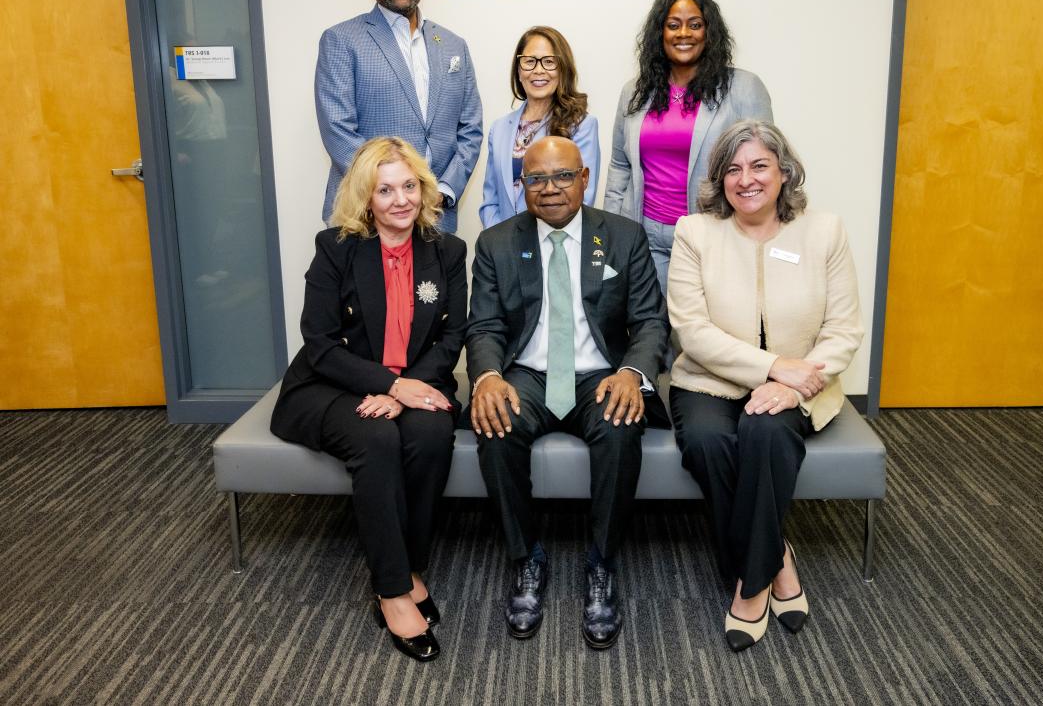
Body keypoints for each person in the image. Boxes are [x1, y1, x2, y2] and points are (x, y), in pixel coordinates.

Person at [667, 120, 863, 652]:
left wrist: (797, 384)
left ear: (784, 173)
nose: (746, 180)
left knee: (766, 434)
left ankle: (749, 588)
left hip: (802, 382)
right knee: (707, 445)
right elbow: (693, 330)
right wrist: (776, 366)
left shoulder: (825, 231)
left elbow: (843, 328)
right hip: (707, 382)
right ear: (719, 180)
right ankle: (776, 558)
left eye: (759, 166)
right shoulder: (694, 232)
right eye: (732, 169)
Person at [467, 137, 669, 650]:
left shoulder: (623, 237)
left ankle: (601, 563)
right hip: (529, 375)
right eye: (537, 179)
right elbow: (485, 326)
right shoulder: (495, 243)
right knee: (496, 424)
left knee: (622, 422)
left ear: (584, 178)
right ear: (522, 186)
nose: (550, 189)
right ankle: (527, 558)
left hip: (601, 374)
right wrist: (488, 377)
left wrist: (631, 372)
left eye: (562, 177)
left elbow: (649, 321)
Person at [270, 136, 467, 663]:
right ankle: (391, 589)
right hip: (332, 384)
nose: (400, 200)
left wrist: (404, 391)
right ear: (365, 197)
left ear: (423, 189)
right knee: (377, 439)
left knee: (431, 434)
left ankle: (412, 565)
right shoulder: (336, 248)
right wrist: (389, 385)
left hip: (416, 382)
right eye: (385, 190)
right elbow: (319, 342)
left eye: (409, 186)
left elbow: (451, 340)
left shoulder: (447, 251)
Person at [604, 0, 773, 296]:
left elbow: (765, 170)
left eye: (695, 24)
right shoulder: (634, 92)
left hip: (711, 236)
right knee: (650, 331)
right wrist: (614, 232)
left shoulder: (743, 88)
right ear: (660, 32)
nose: (684, 33)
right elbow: (619, 165)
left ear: (709, 32)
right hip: (643, 236)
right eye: (673, 25)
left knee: (700, 336)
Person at [314, 0, 483, 231]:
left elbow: (470, 130)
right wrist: (393, 193)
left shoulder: (455, 45)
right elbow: (337, 129)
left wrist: (443, 190)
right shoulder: (342, 40)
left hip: (435, 216)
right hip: (365, 216)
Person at [479, 26, 599, 227]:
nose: (539, 70)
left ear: (562, 70)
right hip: (503, 245)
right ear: (518, 70)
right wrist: (500, 241)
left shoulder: (582, 125)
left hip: (554, 242)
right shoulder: (499, 128)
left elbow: (581, 198)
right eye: (529, 61)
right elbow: (491, 200)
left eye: (549, 62)